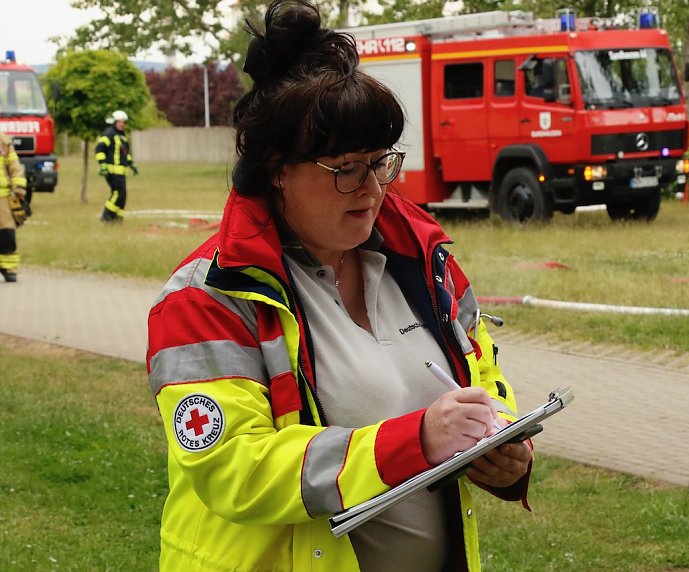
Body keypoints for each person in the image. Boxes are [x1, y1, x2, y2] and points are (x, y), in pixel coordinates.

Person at [146, 1, 533, 570]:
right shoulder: (208, 297)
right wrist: (418, 439)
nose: (373, 188)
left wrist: (499, 446)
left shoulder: (425, 262)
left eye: (382, 163)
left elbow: (481, 377)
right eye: (346, 169)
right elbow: (236, 469)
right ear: (277, 168)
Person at [95, 109, 138, 223]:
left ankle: (117, 217)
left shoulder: (122, 137)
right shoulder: (109, 134)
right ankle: (106, 216)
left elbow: (125, 154)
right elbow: (99, 149)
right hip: (111, 171)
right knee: (118, 193)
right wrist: (102, 165)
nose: (122, 124)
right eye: (119, 122)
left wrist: (131, 164)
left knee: (123, 195)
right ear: (114, 122)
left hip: (121, 171)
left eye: (123, 122)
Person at [0, 132, 27, 282]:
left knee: (7, 233)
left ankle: (9, 267)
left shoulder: (2, 140)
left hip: (2, 197)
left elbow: (14, 165)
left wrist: (19, 187)